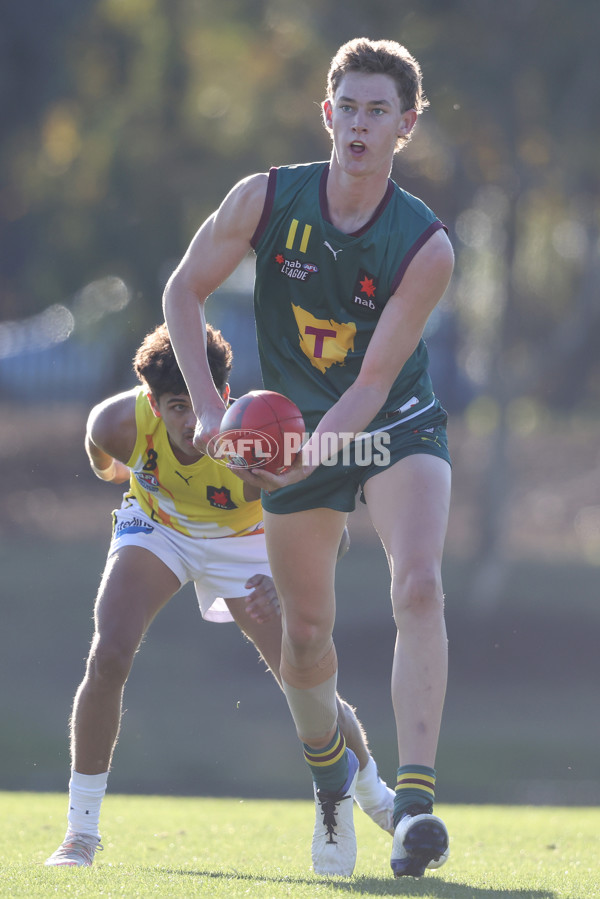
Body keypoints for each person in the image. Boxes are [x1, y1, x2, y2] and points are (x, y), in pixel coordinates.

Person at [163, 38, 454, 879]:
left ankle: (416, 808)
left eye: (379, 112)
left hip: (391, 422)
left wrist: (303, 454)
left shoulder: (425, 246)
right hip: (293, 425)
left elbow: (370, 382)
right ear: (328, 114)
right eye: (349, 108)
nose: (361, 125)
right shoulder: (265, 199)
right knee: (305, 636)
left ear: (406, 128)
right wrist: (216, 410)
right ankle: (334, 789)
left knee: (421, 583)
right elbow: (184, 290)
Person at [44, 322, 395, 867]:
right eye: (175, 406)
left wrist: (283, 579)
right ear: (153, 404)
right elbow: (99, 450)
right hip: (159, 526)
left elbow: (337, 538)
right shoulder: (119, 423)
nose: (189, 421)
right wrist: (113, 470)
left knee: (305, 684)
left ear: (224, 395)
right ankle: (80, 835)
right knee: (108, 652)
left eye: (199, 403)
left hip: (249, 540)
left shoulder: (255, 436)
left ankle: (373, 793)